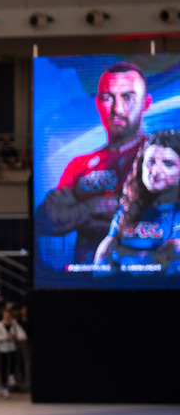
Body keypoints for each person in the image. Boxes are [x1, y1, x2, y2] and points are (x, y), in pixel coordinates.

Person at [37, 62, 152, 264]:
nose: (117, 109)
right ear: (98, 103)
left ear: (146, 103)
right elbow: (47, 220)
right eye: (108, 98)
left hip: (149, 274)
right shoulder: (80, 165)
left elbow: (161, 221)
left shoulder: (163, 160)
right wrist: (95, 206)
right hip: (85, 274)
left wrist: (80, 217)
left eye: (128, 97)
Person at [94, 130, 180, 273]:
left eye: (168, 164)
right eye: (151, 162)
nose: (155, 171)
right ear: (141, 165)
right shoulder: (128, 211)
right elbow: (103, 258)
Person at [0, 306, 26, 399]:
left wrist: (15, 337)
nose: (7, 316)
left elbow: (23, 335)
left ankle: (11, 378)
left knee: (12, 366)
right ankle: (3, 387)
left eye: (8, 315)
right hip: (1, 350)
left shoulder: (15, 325)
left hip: (11, 350)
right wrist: (6, 338)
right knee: (2, 369)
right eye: (5, 315)